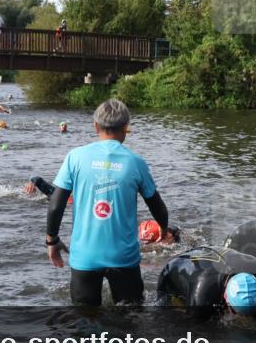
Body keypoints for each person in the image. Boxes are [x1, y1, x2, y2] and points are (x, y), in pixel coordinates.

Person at [45, 99, 169, 305]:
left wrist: (52, 240)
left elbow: (56, 205)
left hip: (85, 257)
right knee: (130, 320)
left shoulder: (74, 157)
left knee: (84, 323)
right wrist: (163, 230)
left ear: (95, 126)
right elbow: (157, 206)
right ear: (125, 128)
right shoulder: (135, 162)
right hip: (124, 258)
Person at [156, 246, 256, 320]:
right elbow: (196, 332)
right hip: (172, 272)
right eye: (235, 312)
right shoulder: (202, 293)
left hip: (221, 259)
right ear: (226, 298)